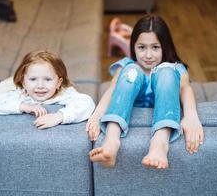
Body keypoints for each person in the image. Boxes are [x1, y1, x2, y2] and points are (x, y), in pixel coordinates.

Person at [86, 14, 204, 169]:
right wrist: (97, 114)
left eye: (155, 47)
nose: (148, 55)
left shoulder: (174, 69)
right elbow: (113, 90)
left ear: (165, 46)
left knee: (167, 71)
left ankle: (160, 143)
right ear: (133, 46)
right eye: (142, 47)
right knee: (131, 70)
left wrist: (191, 116)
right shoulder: (127, 65)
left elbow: (185, 88)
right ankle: (112, 140)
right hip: (125, 106)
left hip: (164, 109)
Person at [0, 51, 95, 129]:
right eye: (33, 79)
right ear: (23, 82)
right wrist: (23, 106)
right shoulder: (22, 94)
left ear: (58, 83)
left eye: (47, 79)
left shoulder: (64, 94)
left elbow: (87, 103)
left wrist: (59, 116)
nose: (40, 85)